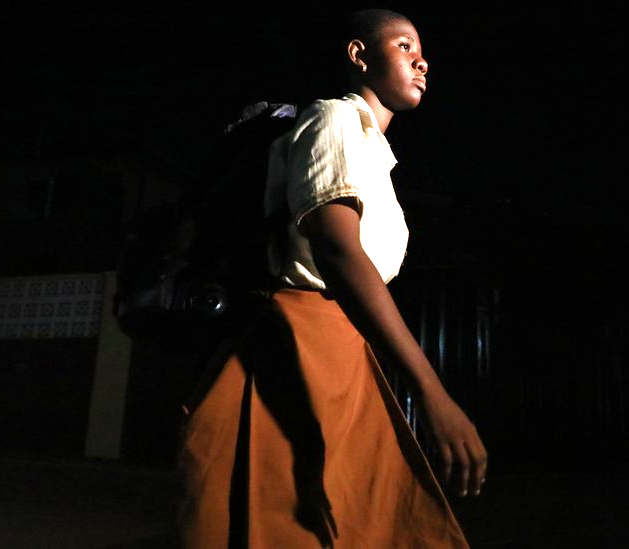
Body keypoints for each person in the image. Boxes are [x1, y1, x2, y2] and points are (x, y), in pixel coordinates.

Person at [176, 9, 486, 548]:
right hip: (298, 346)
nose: (422, 60)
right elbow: (339, 251)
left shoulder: (374, 154)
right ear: (359, 56)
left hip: (342, 351)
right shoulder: (335, 120)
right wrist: (432, 393)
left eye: (422, 49)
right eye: (403, 44)